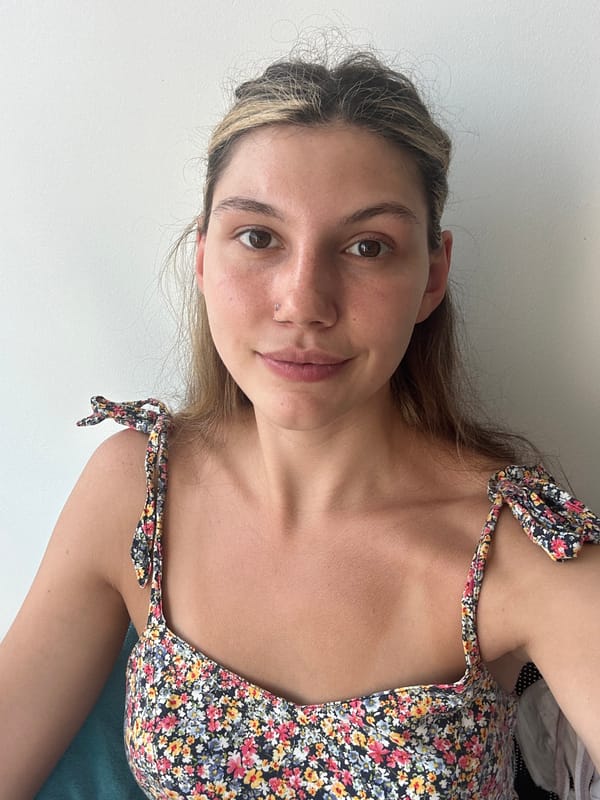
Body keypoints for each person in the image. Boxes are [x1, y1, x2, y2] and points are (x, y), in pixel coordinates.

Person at [1, 50, 599, 800]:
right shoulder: (136, 489)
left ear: (432, 276)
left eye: (367, 247)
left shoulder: (521, 549)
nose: (303, 301)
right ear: (202, 256)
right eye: (258, 237)